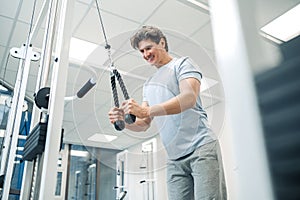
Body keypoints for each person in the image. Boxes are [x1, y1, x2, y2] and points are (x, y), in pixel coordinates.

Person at [108, 25, 227, 200]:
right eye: (141, 51)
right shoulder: (149, 84)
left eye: (148, 48)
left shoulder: (182, 64)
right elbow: (144, 124)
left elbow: (188, 97)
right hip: (174, 158)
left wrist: (145, 110)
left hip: (201, 148)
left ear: (162, 43)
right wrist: (123, 122)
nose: (145, 54)